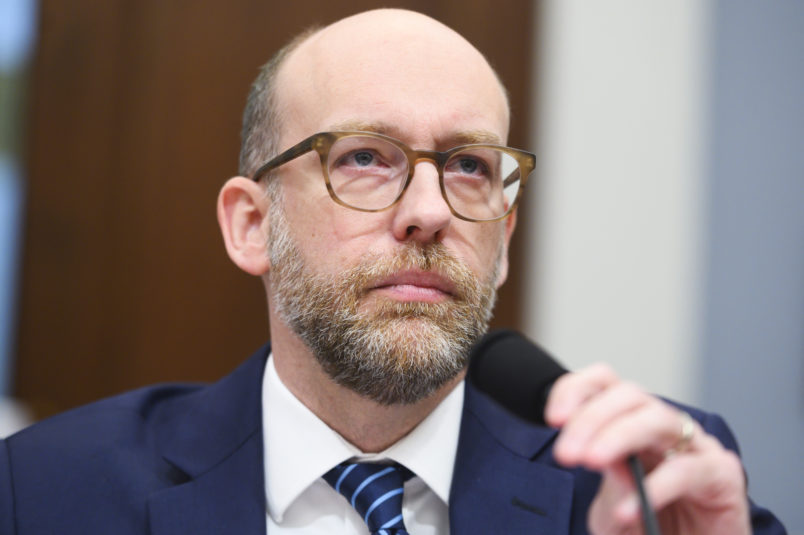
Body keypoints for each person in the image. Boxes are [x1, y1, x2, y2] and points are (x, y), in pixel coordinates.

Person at [0, 8, 785, 535]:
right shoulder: (46, 490)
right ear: (251, 224)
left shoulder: (645, 487)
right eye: (366, 157)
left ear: (504, 239)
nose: (430, 211)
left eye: (469, 166)